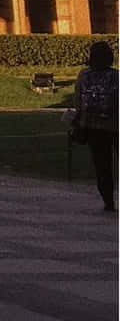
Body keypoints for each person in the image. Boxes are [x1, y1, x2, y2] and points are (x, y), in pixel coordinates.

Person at [67, 41, 118, 213]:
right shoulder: (116, 76)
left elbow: (78, 100)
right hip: (116, 124)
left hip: (94, 127)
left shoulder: (84, 75)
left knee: (102, 165)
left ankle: (108, 201)